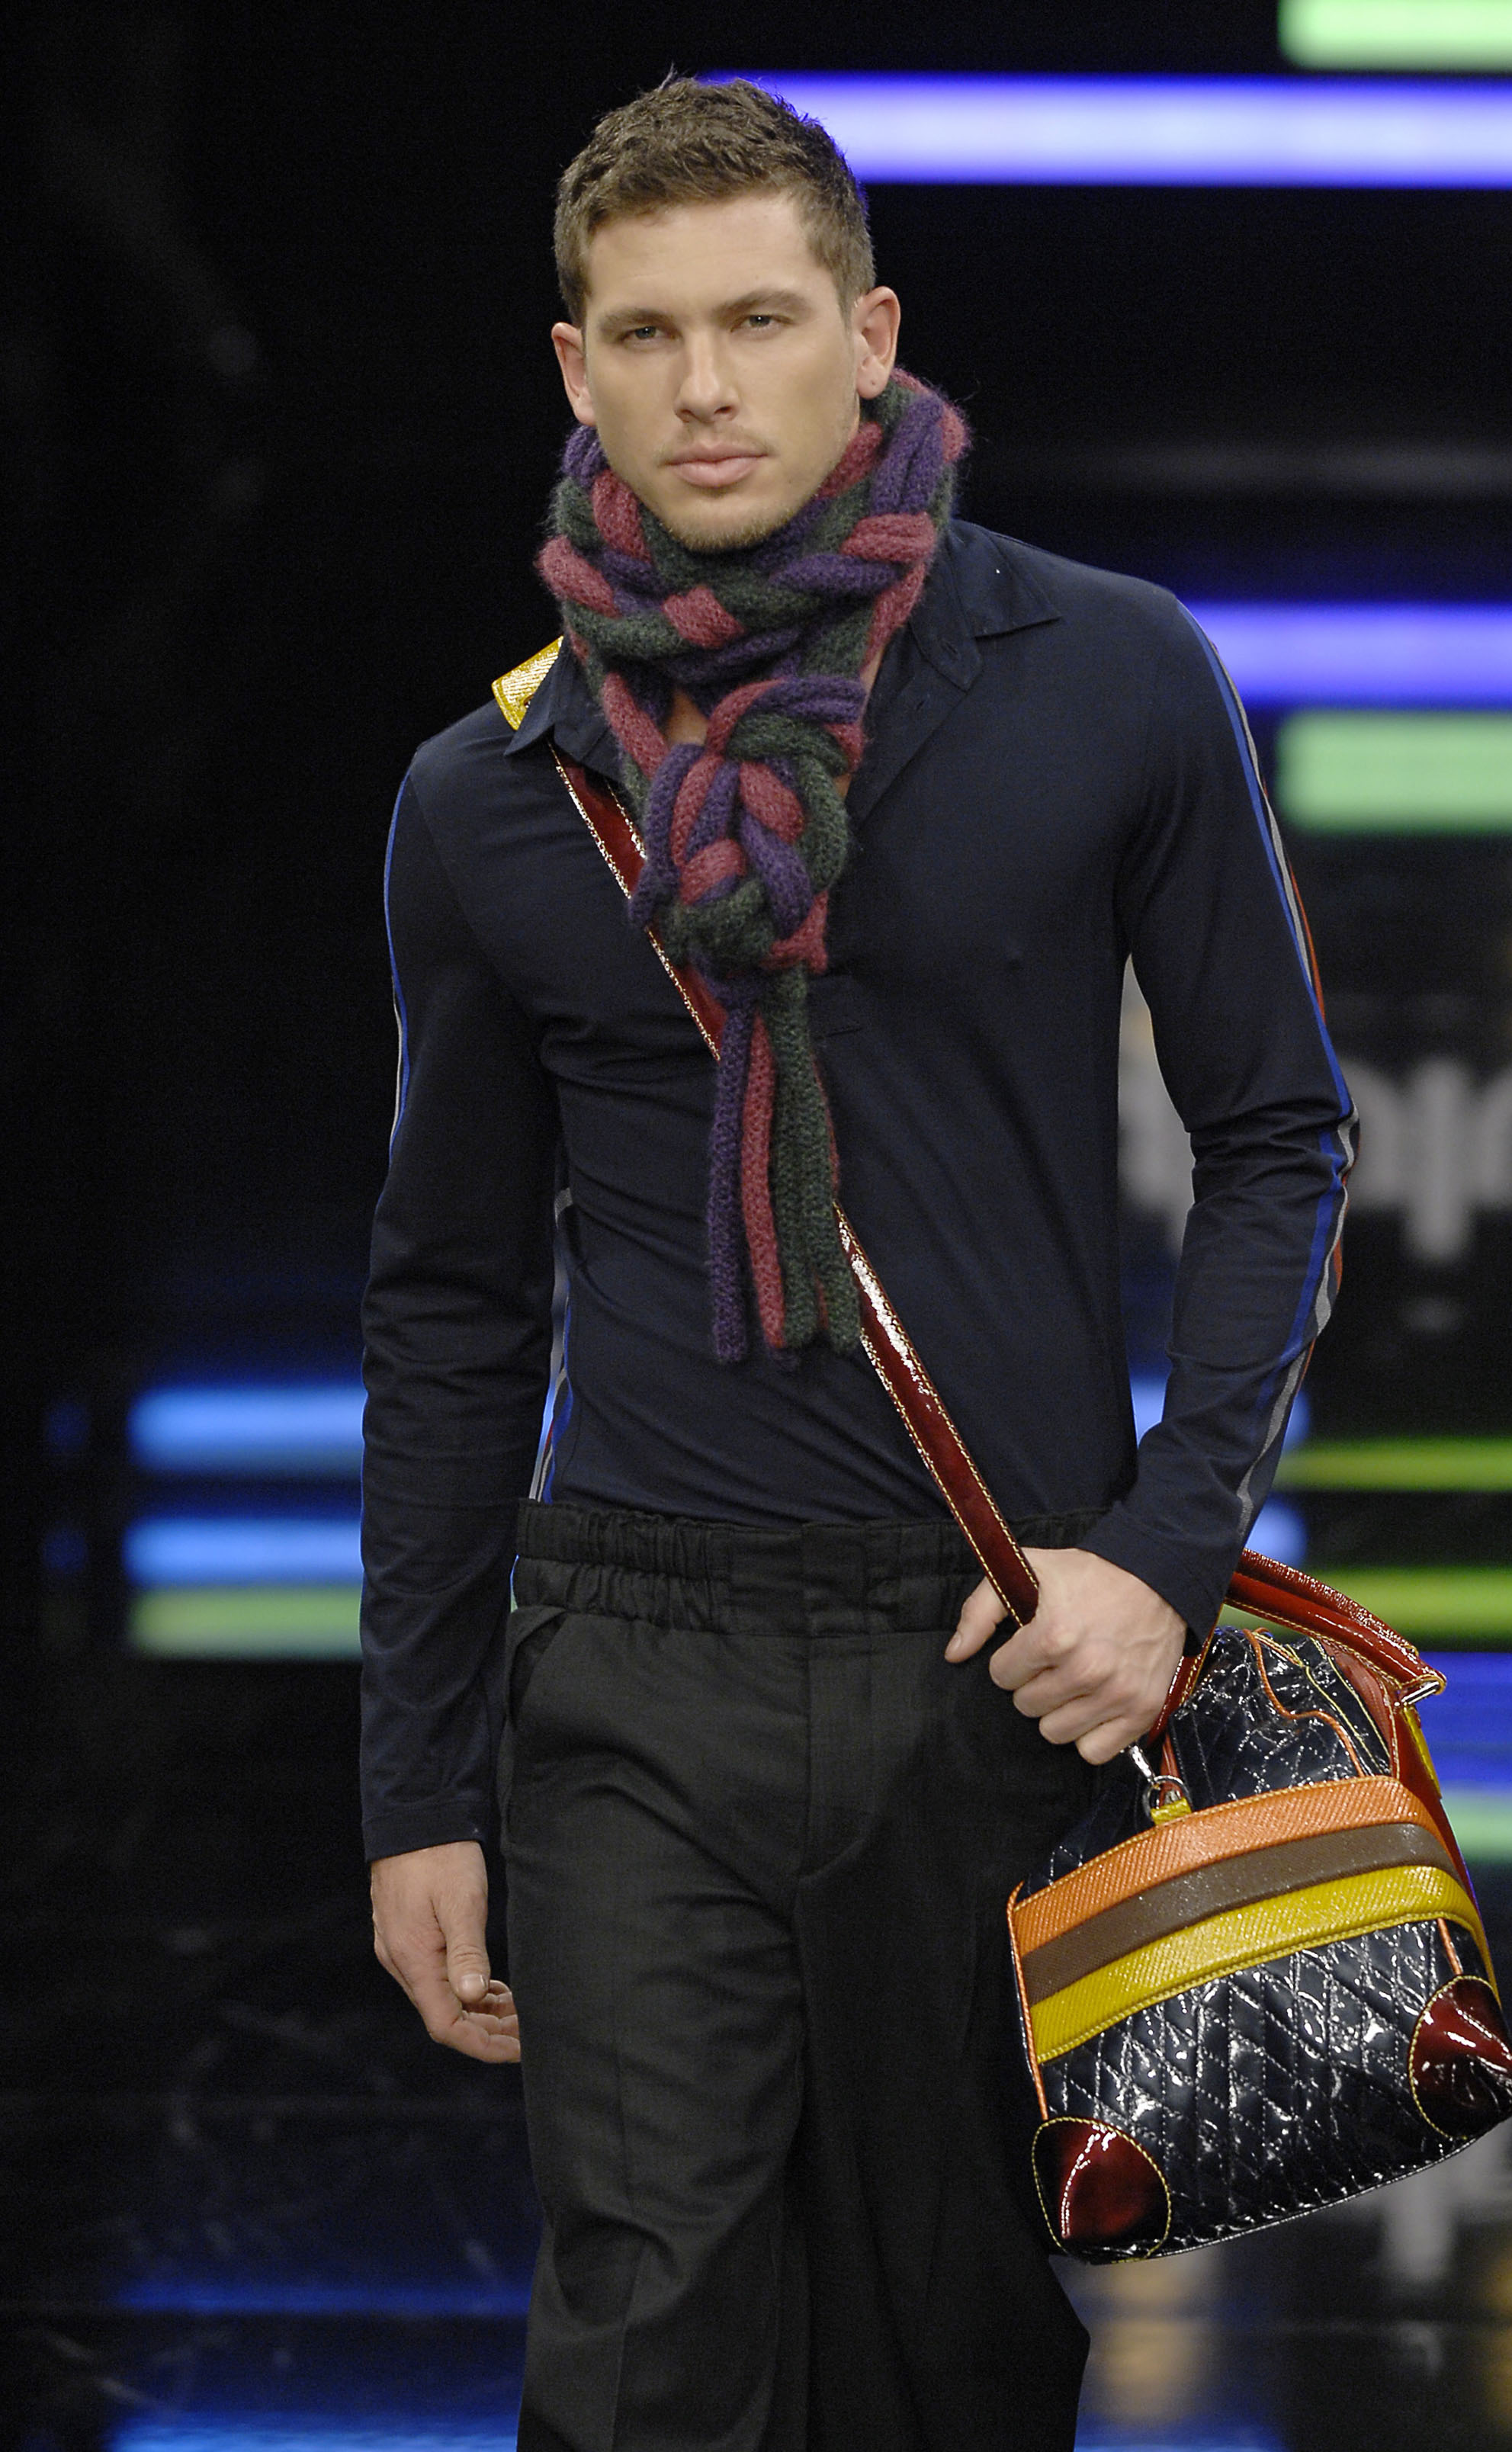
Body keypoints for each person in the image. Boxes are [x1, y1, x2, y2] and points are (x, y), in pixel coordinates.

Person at [361, 75, 1355, 2452]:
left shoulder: (1107, 673)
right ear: (575, 368)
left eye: (762, 320)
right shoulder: (496, 793)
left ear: (873, 335)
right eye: (646, 333)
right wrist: (414, 1781)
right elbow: (453, 1301)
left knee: (953, 2359)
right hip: (633, 1656)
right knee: (645, 2343)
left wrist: (1167, 1554)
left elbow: (1277, 1138)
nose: (705, 384)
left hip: (997, 1659)